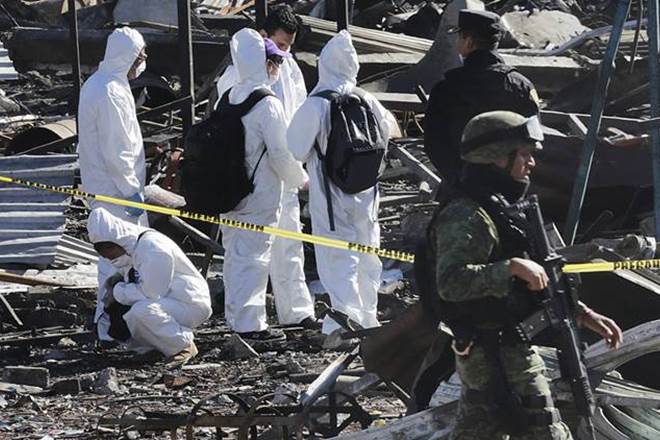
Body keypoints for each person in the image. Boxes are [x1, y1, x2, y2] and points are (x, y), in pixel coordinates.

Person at [427, 111, 623, 439]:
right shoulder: (467, 215)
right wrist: (511, 268)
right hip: (491, 352)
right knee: (544, 429)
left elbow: (536, 282)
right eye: (524, 155)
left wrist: (580, 313)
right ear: (496, 157)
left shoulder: (503, 209)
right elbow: (451, 282)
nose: (532, 163)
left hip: (505, 348)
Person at [215, 6, 319, 331]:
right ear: (263, 36)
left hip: (280, 176)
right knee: (249, 256)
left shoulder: (289, 69)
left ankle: (296, 311)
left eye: (289, 46)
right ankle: (247, 323)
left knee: (289, 247)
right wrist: (297, 175)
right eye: (280, 45)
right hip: (254, 178)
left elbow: (299, 111)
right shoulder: (235, 79)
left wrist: (297, 165)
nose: (283, 54)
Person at [288, 30, 398, 336]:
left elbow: (295, 147)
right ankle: (368, 317)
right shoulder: (368, 100)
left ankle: (345, 322)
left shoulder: (317, 103)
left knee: (337, 259)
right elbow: (388, 134)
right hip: (367, 193)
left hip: (331, 196)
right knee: (367, 255)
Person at [77, 27, 149, 341]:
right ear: (127, 56)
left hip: (106, 190)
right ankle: (113, 331)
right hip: (116, 193)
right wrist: (131, 192)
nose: (143, 61)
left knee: (113, 261)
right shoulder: (110, 92)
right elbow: (117, 150)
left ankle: (111, 327)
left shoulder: (100, 83)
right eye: (140, 56)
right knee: (120, 263)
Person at [423, 10, 540, 187]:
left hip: (462, 186)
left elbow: (434, 144)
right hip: (509, 185)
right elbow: (533, 137)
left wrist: (457, 179)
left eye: (459, 37)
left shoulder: (446, 88)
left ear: (468, 42)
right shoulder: (522, 85)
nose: (457, 42)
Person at [87, 208, 212, 365]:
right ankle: (155, 348)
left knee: (142, 312)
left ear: (116, 243)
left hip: (190, 304)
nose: (111, 259)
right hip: (170, 300)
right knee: (130, 314)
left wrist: (118, 291)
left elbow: (151, 293)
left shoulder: (153, 248)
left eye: (111, 254)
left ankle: (183, 345)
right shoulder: (132, 248)